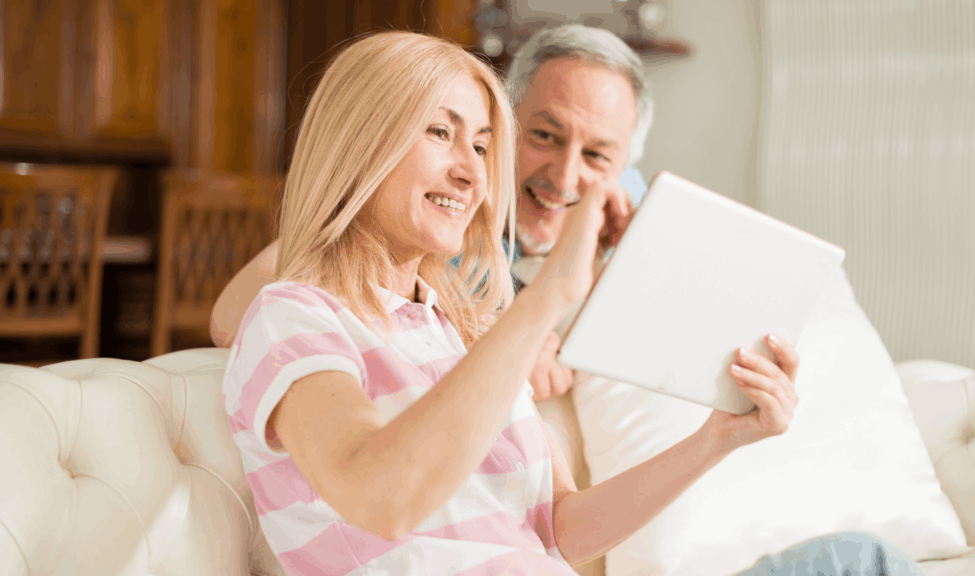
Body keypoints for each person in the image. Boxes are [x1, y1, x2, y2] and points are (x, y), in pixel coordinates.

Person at [222, 29, 805, 574]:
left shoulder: (454, 329)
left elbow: (561, 530)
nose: (472, 173)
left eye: (480, 145)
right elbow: (380, 499)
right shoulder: (291, 315)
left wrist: (717, 438)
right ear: (358, 144)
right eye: (439, 132)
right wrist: (547, 300)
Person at [210, 24, 652, 401]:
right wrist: (499, 345)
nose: (564, 176)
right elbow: (237, 310)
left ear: (622, 169)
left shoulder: (631, 228)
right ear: (500, 127)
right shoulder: (434, 220)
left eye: (596, 155)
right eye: (543, 136)